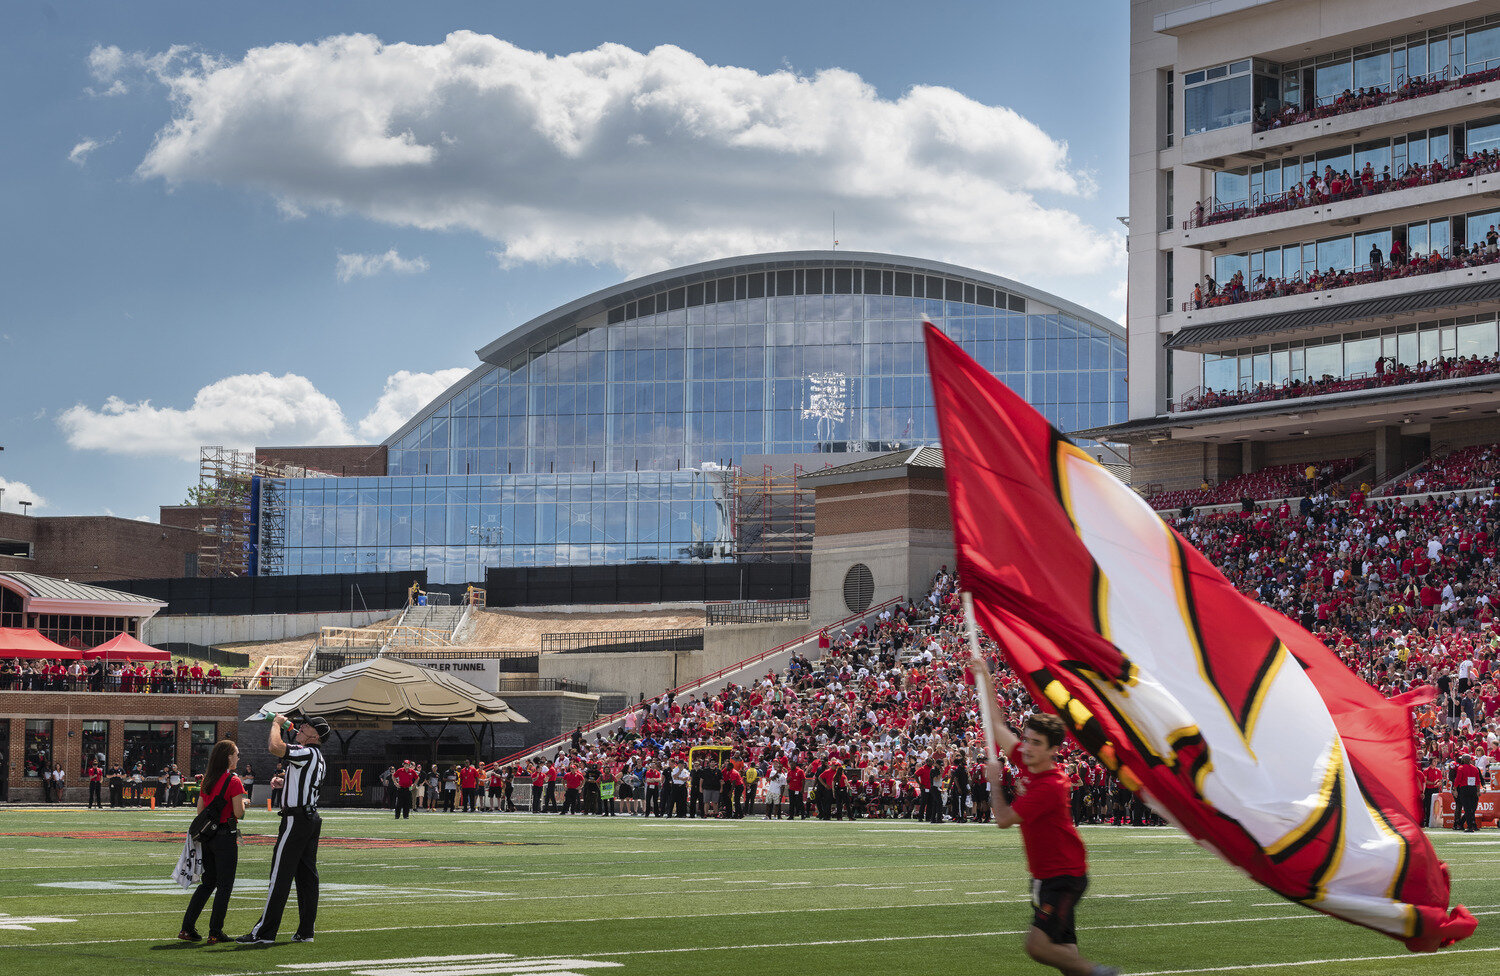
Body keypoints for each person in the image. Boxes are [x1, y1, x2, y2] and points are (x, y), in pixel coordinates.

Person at [989, 713, 1119, 976]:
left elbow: (1003, 819)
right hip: (1047, 875)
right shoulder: (1030, 765)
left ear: (1053, 750)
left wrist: (994, 780)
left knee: (1038, 946)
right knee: (1065, 953)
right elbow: (996, 725)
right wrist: (984, 674)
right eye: (1026, 740)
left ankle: (1100, 973)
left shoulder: (1051, 784)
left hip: (1063, 876)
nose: (1027, 747)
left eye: (1036, 742)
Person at [238, 714, 329, 945]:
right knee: (307, 877)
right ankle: (306, 931)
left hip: (296, 820)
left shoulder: (307, 751)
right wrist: (285, 781)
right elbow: (305, 780)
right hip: (310, 818)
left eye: (307, 725)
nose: (301, 727)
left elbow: (275, 747)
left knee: (280, 875)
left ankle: (264, 932)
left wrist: (276, 723)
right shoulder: (318, 757)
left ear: (315, 735)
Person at [180, 739, 247, 945]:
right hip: (226, 836)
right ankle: (215, 931)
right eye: (236, 753)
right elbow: (239, 813)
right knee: (225, 886)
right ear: (228, 756)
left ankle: (187, 928)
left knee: (207, 883)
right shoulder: (234, 781)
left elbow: (201, 810)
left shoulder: (207, 779)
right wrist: (244, 802)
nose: (238, 757)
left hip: (207, 837)